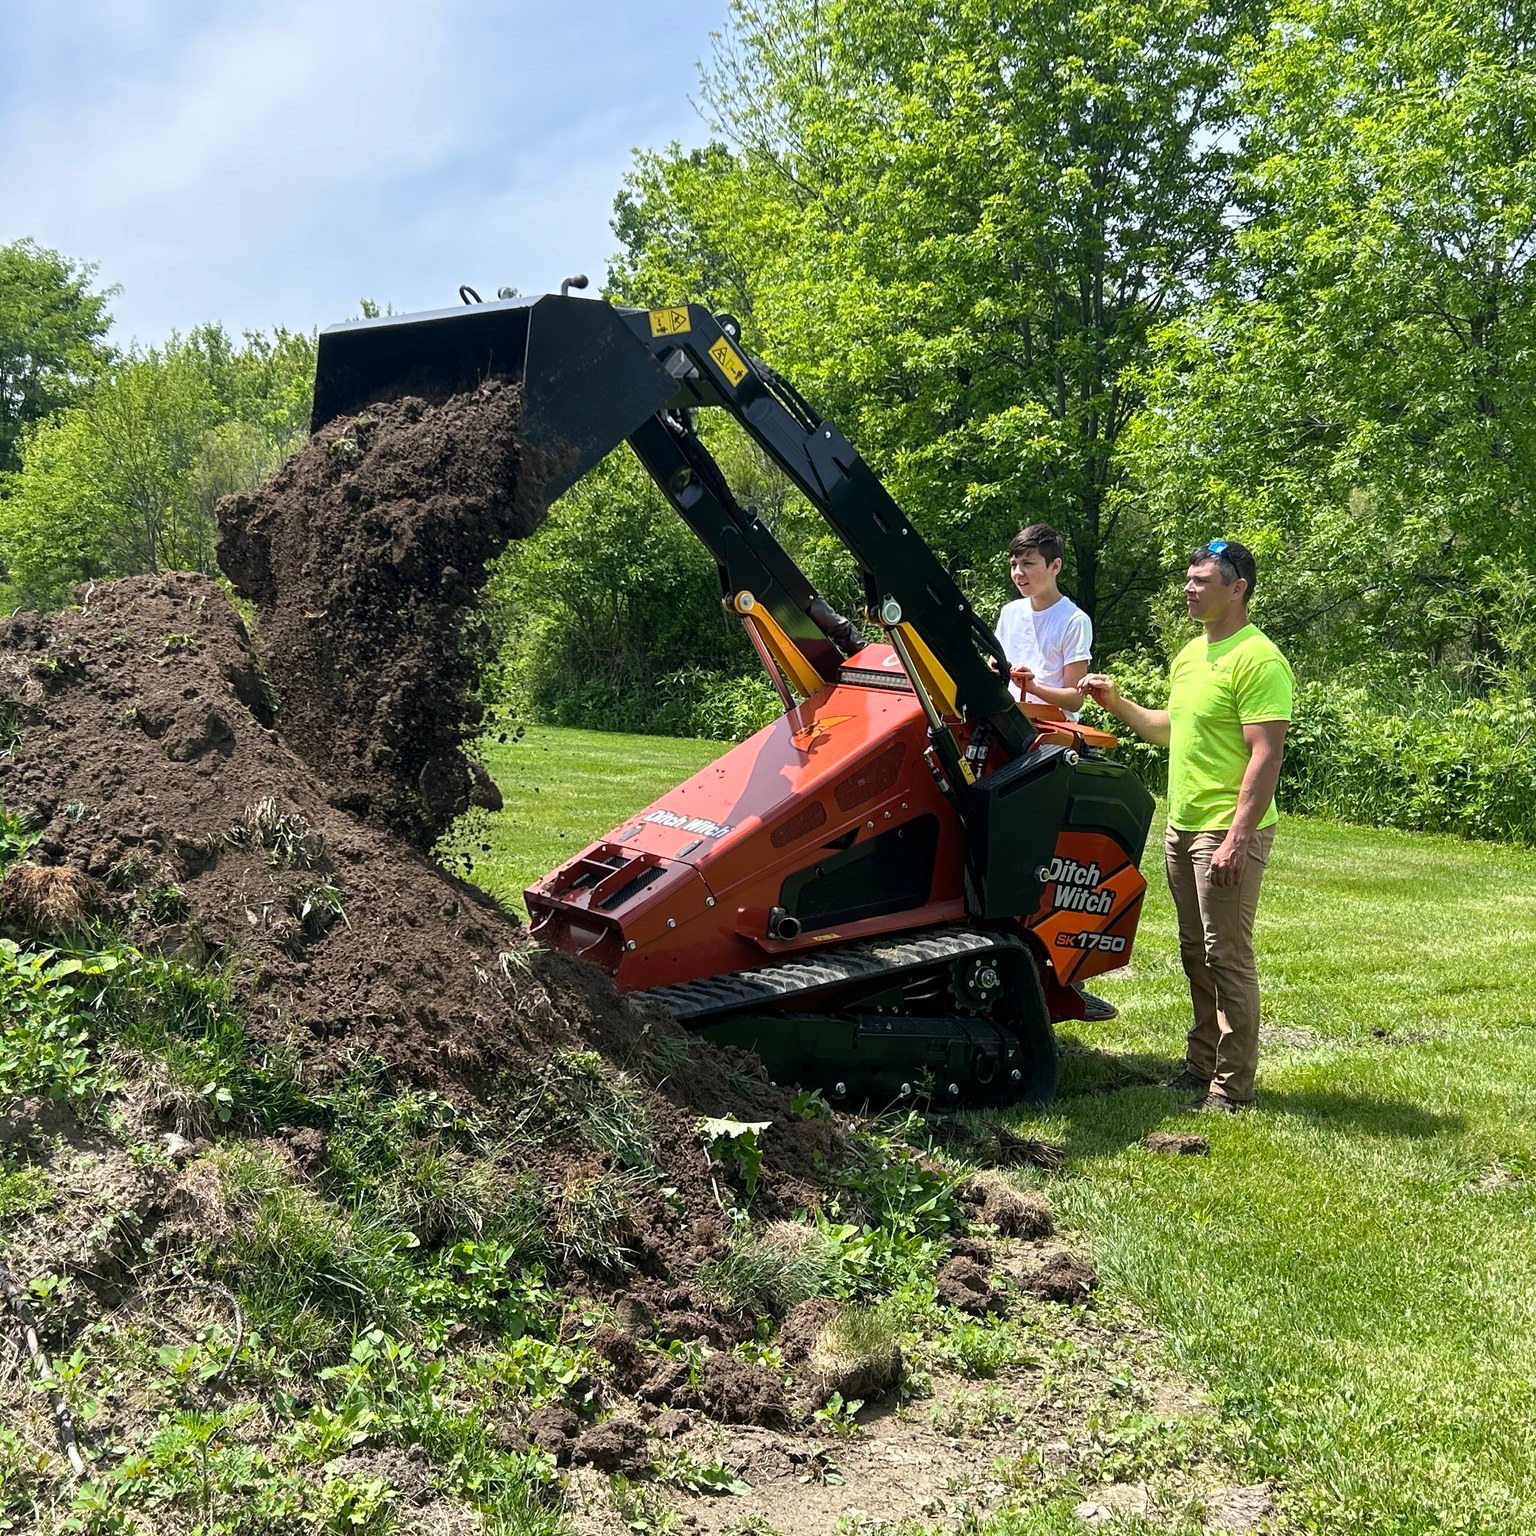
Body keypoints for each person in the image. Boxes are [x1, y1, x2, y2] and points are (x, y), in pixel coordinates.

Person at [1081, 540, 1293, 1113]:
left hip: (1226, 829)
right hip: (1183, 824)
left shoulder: (1259, 659)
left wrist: (1238, 839)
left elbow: (1265, 756)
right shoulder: (1190, 655)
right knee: (1195, 951)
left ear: (1237, 588)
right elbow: (1169, 730)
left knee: (1227, 954)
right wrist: (1117, 703)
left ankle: (1232, 1087)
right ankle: (1201, 1064)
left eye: (1201, 580)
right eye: (1189, 579)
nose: (1189, 589)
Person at [994, 524, 1117, 1023]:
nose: (1019, 574)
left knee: (1055, 856)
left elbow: (1074, 699)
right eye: (1014, 565)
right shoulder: (1008, 614)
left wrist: (1032, 687)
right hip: (1004, 731)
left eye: (1029, 565)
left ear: (1055, 567)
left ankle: (1066, 974)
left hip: (1050, 743)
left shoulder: (1074, 620)